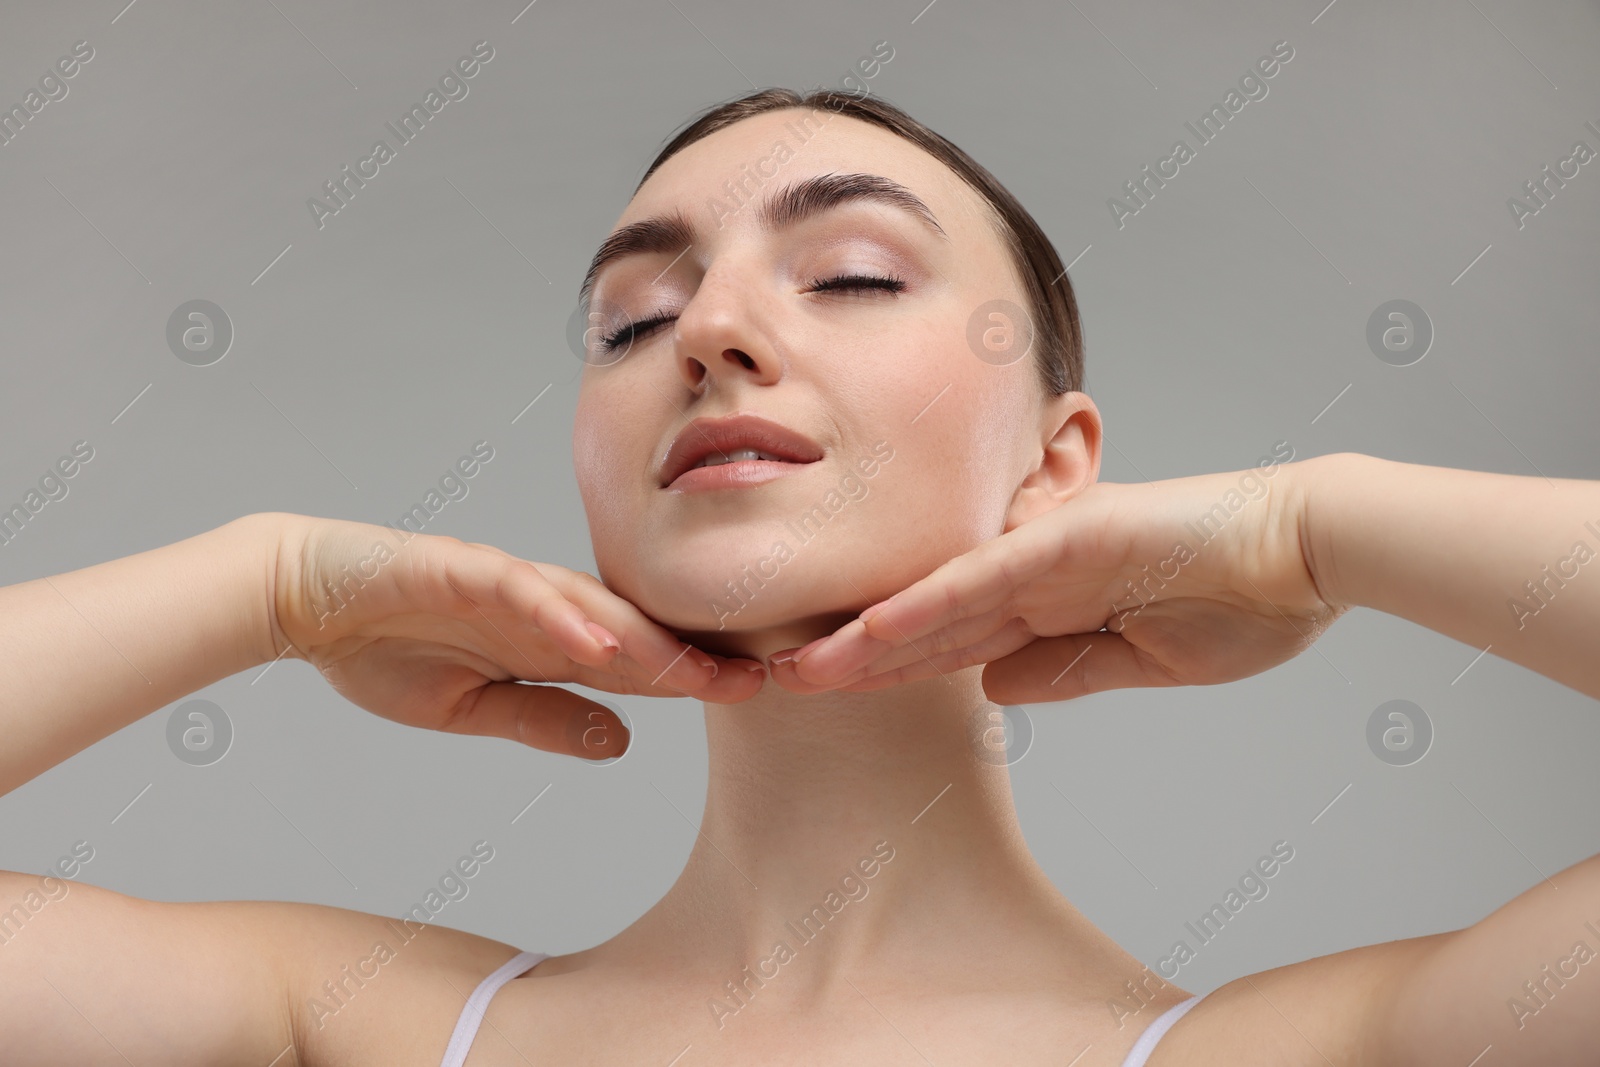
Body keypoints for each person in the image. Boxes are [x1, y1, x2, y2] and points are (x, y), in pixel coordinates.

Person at [2, 86, 1597, 1066]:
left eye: (850, 275)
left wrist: (1325, 526)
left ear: (1055, 460)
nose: (705, 331)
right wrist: (268, 585)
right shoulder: (351, 1022)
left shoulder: (1308, 1053)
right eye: (632, 320)